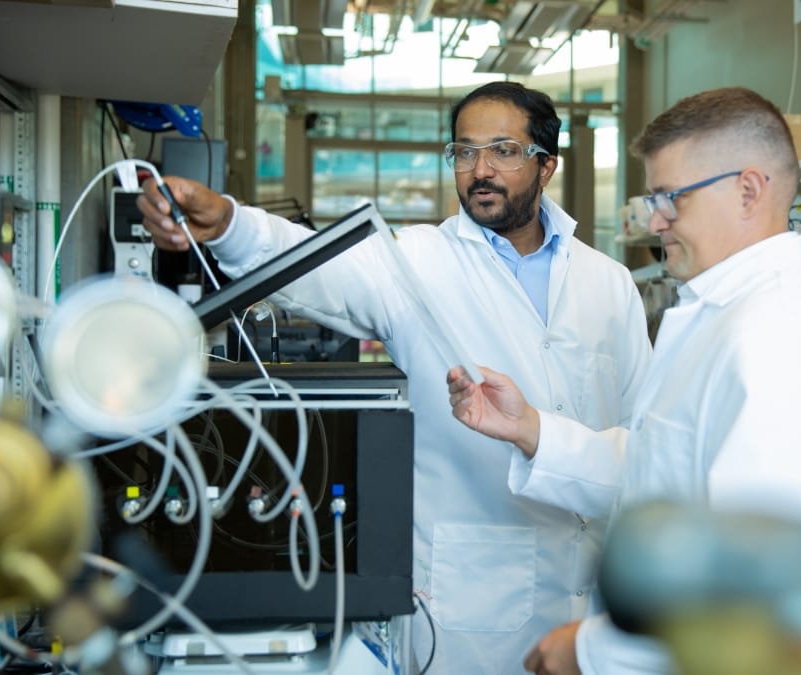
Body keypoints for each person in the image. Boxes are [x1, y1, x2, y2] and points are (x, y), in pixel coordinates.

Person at [136, 81, 652, 673]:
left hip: (602, 603)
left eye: (503, 150)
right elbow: (318, 265)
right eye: (464, 152)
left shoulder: (608, 282)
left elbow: (645, 442)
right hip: (473, 605)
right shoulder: (418, 259)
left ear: (547, 164)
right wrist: (228, 224)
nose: (479, 170)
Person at [447, 87, 801, 675]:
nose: (655, 221)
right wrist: (532, 431)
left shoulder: (778, 335)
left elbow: (765, 586)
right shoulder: (723, 313)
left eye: (671, 199)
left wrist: (593, 650)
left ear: (749, 190)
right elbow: (658, 469)